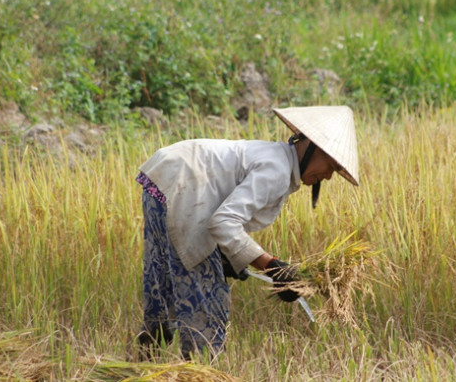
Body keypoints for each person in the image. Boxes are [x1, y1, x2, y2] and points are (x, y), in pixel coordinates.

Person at [135, 105, 359, 359]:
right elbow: (224, 222)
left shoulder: (275, 158)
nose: (329, 176)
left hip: (159, 179)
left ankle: (147, 362)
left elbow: (219, 211)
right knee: (207, 297)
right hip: (182, 183)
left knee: (164, 276)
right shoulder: (277, 170)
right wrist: (273, 267)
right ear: (310, 148)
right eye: (330, 165)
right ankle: (200, 368)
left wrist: (228, 258)